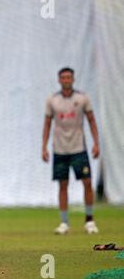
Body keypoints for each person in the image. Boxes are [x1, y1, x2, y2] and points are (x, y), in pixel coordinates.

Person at [42, 67, 100, 235]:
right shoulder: (52, 100)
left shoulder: (82, 98)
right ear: (59, 80)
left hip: (78, 148)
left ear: (73, 79)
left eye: (69, 77)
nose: (66, 80)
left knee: (87, 182)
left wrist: (96, 143)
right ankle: (64, 222)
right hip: (60, 149)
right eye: (63, 78)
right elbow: (47, 124)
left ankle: (89, 220)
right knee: (62, 185)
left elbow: (91, 120)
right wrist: (44, 147)